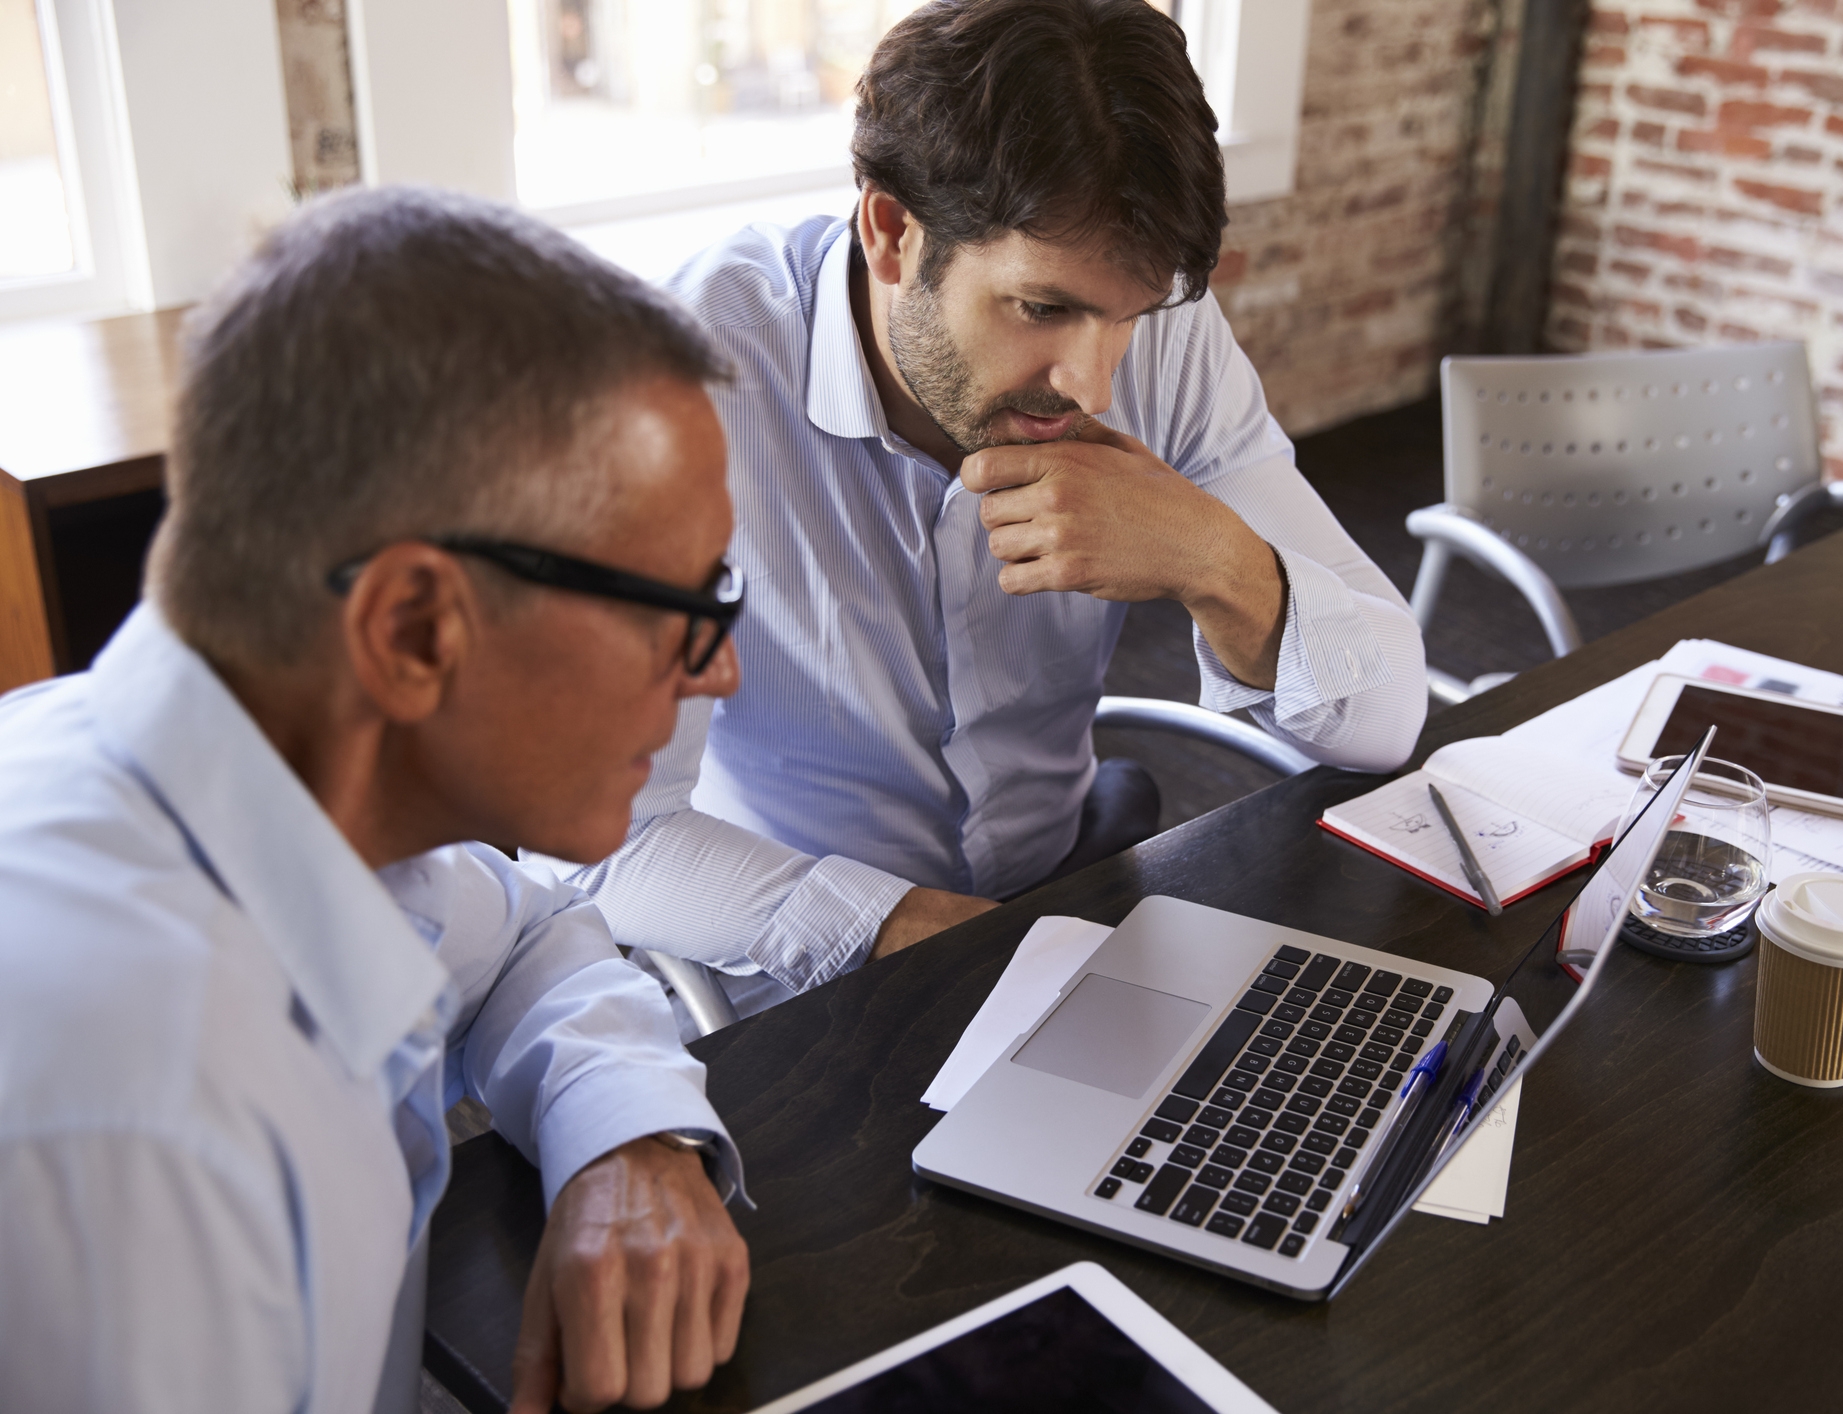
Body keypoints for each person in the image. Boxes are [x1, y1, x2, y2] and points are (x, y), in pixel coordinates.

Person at [0, 188, 754, 1414]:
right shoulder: (139, 1148)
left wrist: (624, 1135)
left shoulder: (299, 793)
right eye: (680, 610)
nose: (719, 666)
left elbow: (524, 928)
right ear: (412, 629)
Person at [549, 0, 1427, 1017]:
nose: (1095, 384)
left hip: (1065, 909)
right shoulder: (672, 386)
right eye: (1042, 308)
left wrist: (1214, 558)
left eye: (1128, 317)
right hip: (797, 973)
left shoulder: (1169, 339)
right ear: (890, 231)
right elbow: (594, 832)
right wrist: (899, 929)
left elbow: (1388, 713)